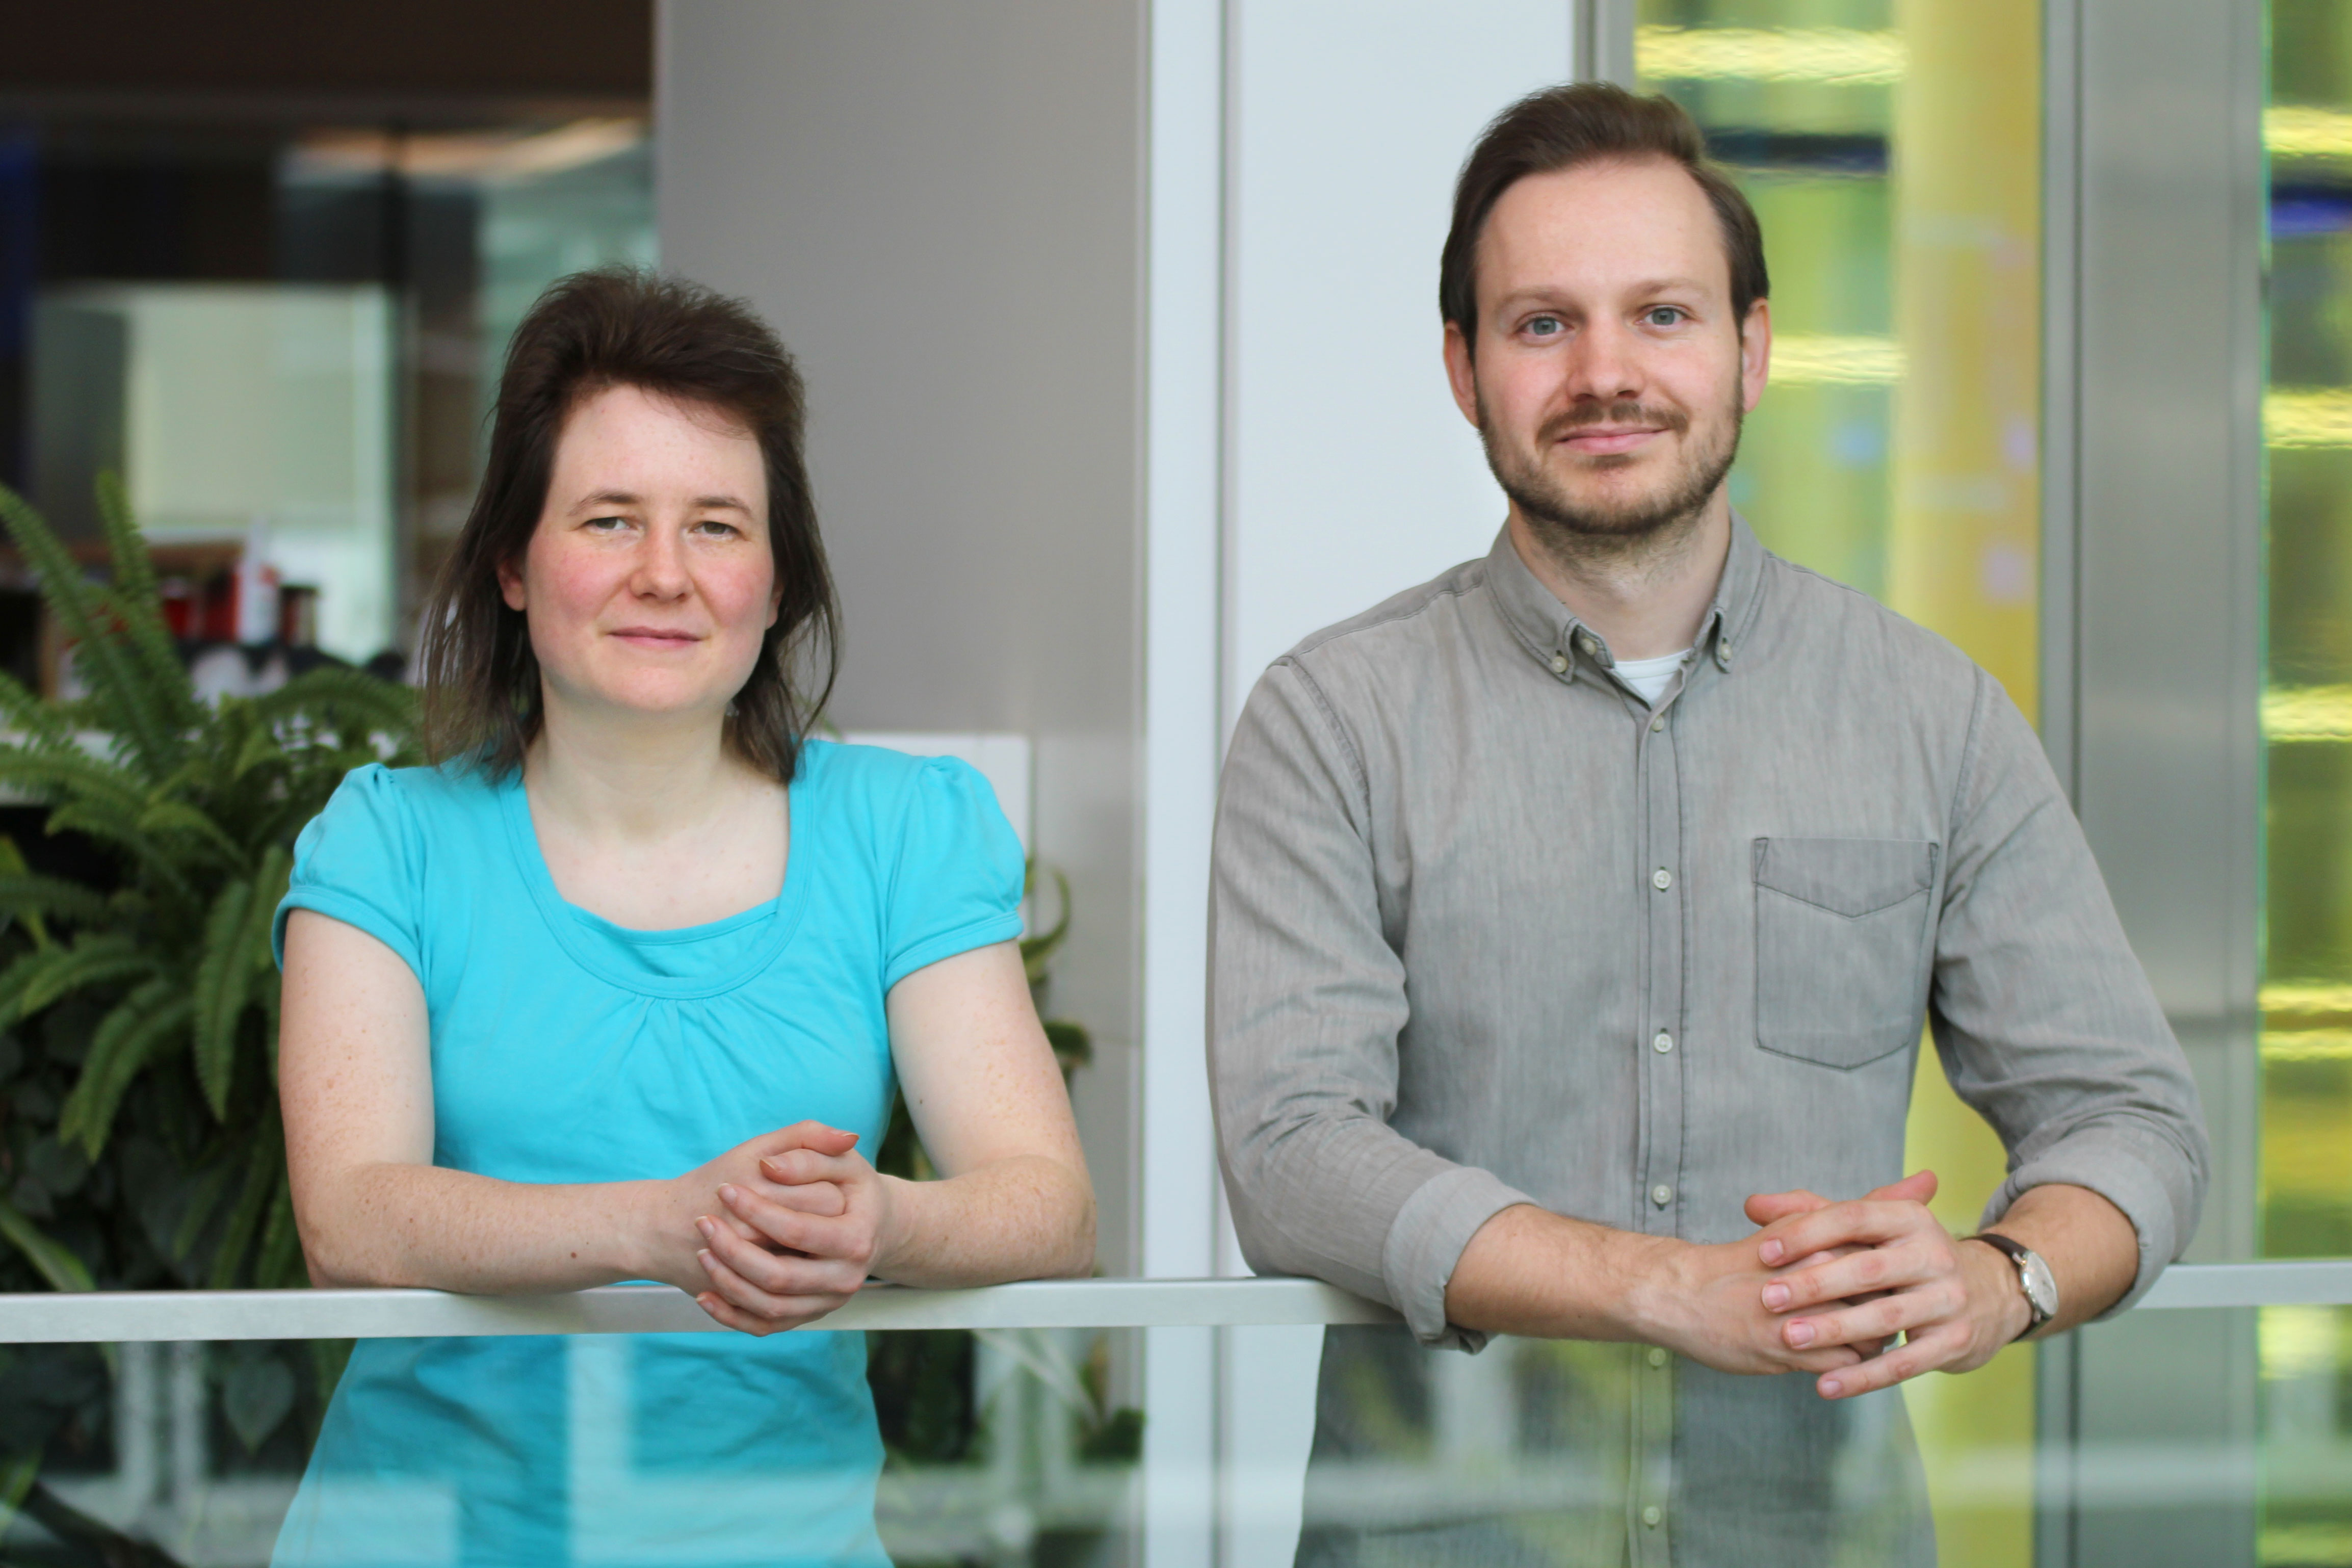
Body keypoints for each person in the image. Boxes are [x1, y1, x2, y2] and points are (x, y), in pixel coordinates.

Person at [1208, 83, 2209, 1566]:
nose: (1603, 372)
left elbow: (2130, 1120)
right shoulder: (1329, 719)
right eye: (1541, 323)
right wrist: (1660, 1286)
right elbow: (1291, 1154)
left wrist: (2001, 1278)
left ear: (1750, 348)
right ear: (1460, 368)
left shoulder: (1929, 714)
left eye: (1659, 316)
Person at [272, 268, 1095, 1566]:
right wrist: (661, 1225)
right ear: (510, 564)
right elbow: (353, 1219)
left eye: (716, 526)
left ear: (776, 585)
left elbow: (1045, 1205)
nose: (665, 574)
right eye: (609, 519)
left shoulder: (901, 831)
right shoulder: (390, 841)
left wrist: (885, 1221)